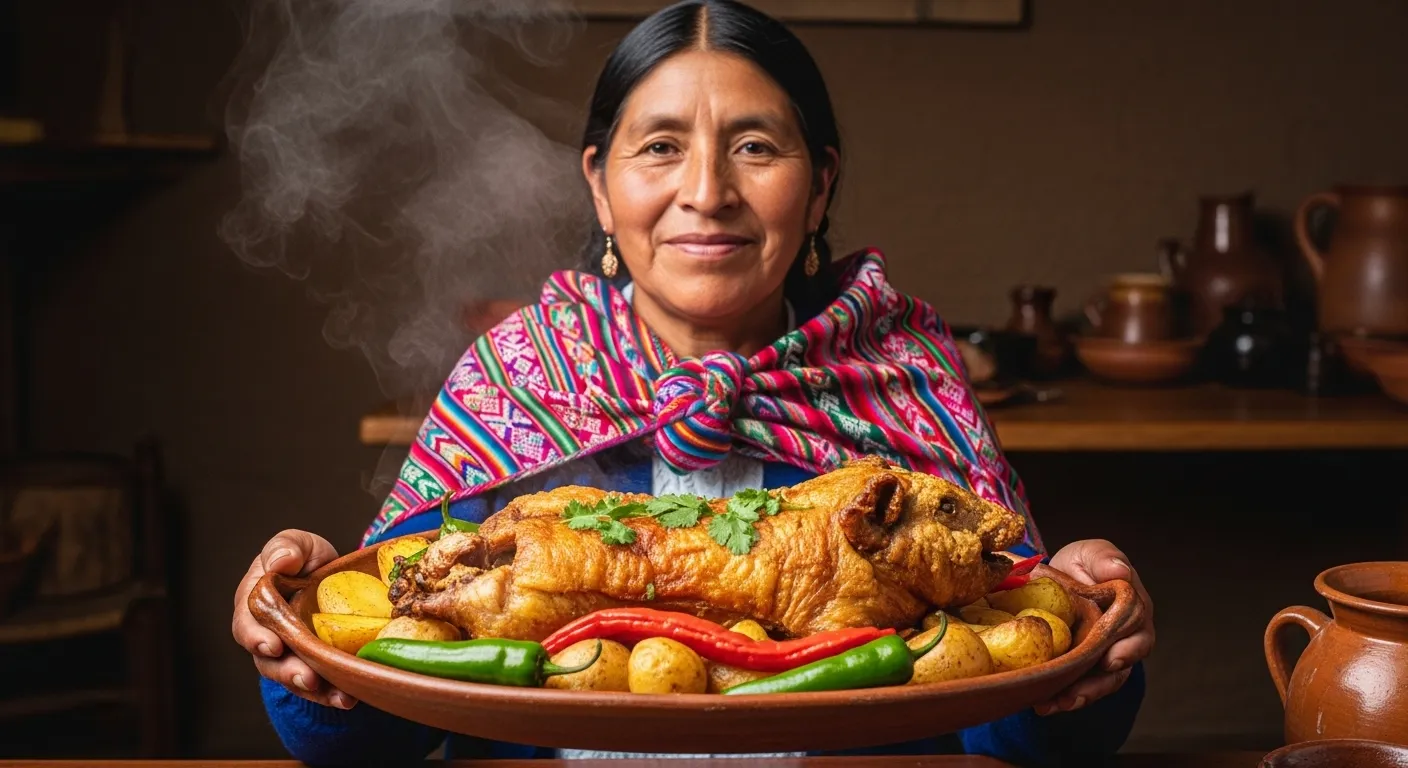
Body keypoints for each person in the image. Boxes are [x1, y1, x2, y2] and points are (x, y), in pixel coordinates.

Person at [231, 1, 1155, 764]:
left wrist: (1086, 637)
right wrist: (296, 634)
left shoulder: (903, 389)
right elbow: (363, 738)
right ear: (600, 183)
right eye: (661, 147)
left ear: (821, 185)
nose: (707, 190)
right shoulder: (518, 379)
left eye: (755, 147)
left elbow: (1019, 732)